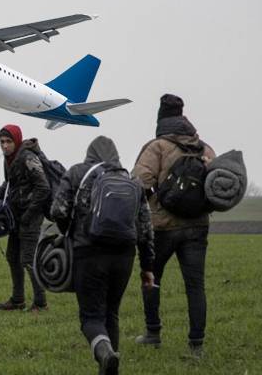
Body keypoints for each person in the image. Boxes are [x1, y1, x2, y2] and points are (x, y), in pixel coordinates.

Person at [51, 136, 155, 375]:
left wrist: (69, 231)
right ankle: (110, 368)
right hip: (124, 256)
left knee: (90, 317)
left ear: (90, 154)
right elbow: (146, 229)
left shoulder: (78, 173)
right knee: (111, 313)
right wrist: (147, 267)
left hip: (89, 253)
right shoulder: (132, 181)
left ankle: (105, 353)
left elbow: (58, 209)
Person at [132, 94, 216, 357]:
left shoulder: (156, 147)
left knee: (150, 278)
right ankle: (196, 345)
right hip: (197, 227)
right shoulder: (204, 148)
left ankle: (153, 333)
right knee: (195, 286)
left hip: (162, 227)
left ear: (161, 119)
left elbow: (139, 184)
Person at [0, 124, 50, 312]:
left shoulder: (27, 157)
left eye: (8, 141)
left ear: (16, 141)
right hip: (16, 215)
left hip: (30, 216)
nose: (5, 145)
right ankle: (17, 300)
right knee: (12, 256)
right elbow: (9, 184)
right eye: (2, 142)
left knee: (28, 259)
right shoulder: (9, 159)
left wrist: (29, 213)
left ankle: (41, 303)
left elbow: (44, 187)